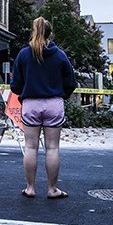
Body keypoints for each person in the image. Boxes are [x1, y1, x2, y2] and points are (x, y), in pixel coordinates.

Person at [10, 16, 77, 200]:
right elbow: (71, 82)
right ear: (51, 33)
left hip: (31, 103)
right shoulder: (60, 55)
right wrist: (61, 93)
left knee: (30, 147)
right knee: (52, 148)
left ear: (34, 32)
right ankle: (52, 189)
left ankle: (30, 187)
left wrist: (25, 91)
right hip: (54, 103)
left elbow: (15, 85)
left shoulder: (24, 54)